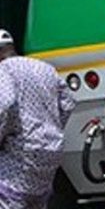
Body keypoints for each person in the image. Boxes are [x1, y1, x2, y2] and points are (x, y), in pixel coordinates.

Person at [0, 28, 75, 208]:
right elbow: (68, 103)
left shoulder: (3, 70)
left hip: (19, 156)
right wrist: (52, 129)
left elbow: (5, 105)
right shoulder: (45, 68)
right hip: (49, 153)